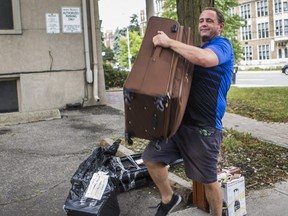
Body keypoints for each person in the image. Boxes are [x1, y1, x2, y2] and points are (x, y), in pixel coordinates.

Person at [142, 7, 234, 216]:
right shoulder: (192, 49)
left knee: (208, 180)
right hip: (179, 125)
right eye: (201, 20)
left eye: (209, 20)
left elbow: (206, 59)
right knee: (151, 157)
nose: (203, 23)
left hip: (205, 128)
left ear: (220, 26)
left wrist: (169, 42)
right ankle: (169, 198)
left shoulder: (222, 45)